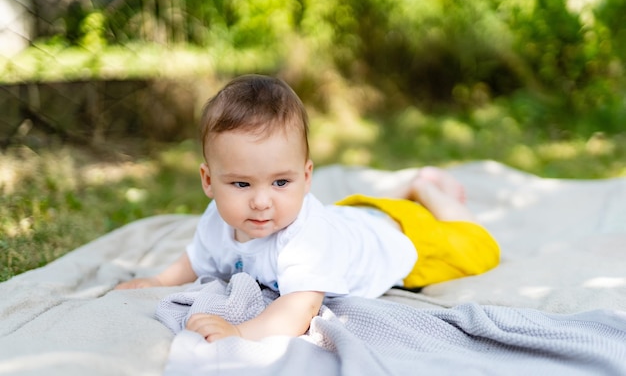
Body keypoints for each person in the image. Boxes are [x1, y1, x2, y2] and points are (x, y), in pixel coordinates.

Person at [115, 74, 500, 342]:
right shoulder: (218, 219)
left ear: (307, 175)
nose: (262, 201)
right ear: (208, 181)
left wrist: (240, 332)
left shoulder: (305, 238)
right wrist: (159, 281)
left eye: (281, 182)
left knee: (479, 246)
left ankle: (429, 191)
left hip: (400, 239)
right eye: (241, 183)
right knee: (365, 213)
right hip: (349, 219)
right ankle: (406, 193)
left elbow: (298, 310)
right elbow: (197, 258)